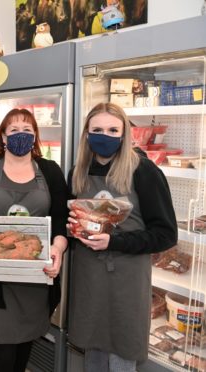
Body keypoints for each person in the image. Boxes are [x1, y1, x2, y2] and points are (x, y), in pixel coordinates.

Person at [67, 102, 177, 372]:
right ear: (87, 134)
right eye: (98, 129)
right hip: (89, 274)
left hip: (127, 277)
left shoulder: (144, 171)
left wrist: (114, 241)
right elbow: (70, 222)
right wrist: (72, 229)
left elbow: (165, 234)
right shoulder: (79, 172)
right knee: (92, 348)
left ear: (124, 133)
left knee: (122, 352)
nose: (105, 135)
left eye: (113, 129)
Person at [0, 108, 69, 372]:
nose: (21, 135)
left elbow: (61, 219)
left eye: (28, 131)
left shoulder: (51, 172)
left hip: (35, 277)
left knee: (24, 343)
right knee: (1, 345)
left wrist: (58, 249)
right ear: (3, 137)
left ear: (35, 137)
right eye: (14, 130)